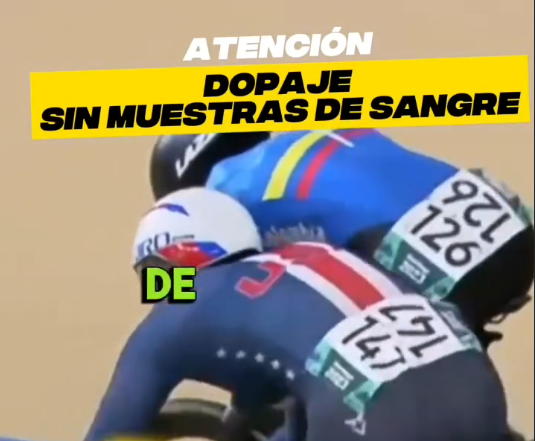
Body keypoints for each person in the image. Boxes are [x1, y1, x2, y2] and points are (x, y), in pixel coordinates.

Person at [85, 187, 510, 441]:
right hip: (478, 390)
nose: (155, 295)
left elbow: (113, 430)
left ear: (175, 263)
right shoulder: (315, 254)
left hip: (376, 418)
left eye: (153, 279)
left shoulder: (180, 309)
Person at [149, 130, 534, 349]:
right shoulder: (304, 139)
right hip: (510, 225)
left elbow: (198, 289)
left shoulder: (225, 192)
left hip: (434, 260)